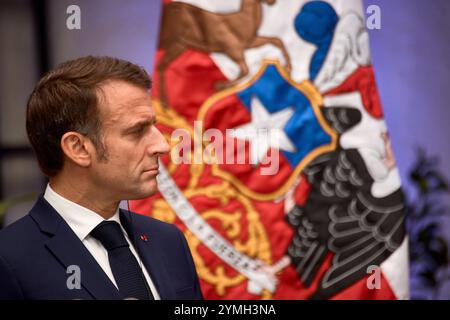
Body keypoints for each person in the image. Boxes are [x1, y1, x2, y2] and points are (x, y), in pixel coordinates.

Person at [0, 56, 203, 300]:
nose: (161, 145)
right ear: (78, 148)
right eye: (138, 131)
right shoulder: (9, 259)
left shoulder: (168, 241)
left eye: (154, 126)